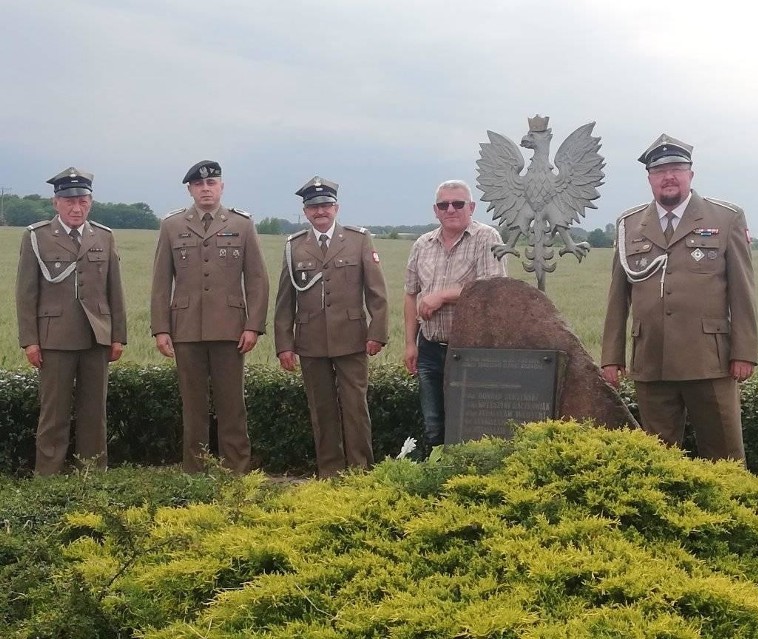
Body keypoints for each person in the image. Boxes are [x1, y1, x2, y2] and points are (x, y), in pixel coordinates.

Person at [601, 134, 758, 461]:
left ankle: (730, 511)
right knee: (658, 459)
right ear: (650, 179)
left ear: (690, 174)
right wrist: (611, 356)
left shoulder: (725, 218)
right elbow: (618, 296)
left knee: (724, 456)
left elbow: (743, 291)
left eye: (676, 168)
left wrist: (745, 352)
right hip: (651, 361)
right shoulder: (629, 225)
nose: (668, 176)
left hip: (709, 361)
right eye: (659, 171)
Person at [150, 160, 269, 473]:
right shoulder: (172, 225)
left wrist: (253, 326)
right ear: (190, 189)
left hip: (231, 330)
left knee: (233, 406)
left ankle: (237, 472)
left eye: (212, 183)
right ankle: (196, 472)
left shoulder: (242, 224)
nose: (206, 189)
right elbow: (162, 281)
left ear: (221, 187)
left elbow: (257, 279)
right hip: (186, 329)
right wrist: (161, 329)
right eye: (199, 185)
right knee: (193, 408)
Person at [274, 176, 389, 478]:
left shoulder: (358, 239)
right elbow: (284, 301)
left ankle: (360, 471)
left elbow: (377, 293)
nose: (320, 211)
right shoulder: (294, 246)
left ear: (336, 207)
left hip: (353, 339)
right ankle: (330, 472)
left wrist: (377, 333)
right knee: (321, 410)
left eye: (325, 205)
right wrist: (284, 345)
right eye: (314, 207)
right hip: (310, 342)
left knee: (355, 408)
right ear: (305, 211)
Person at [15, 167, 127, 475]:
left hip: (96, 337)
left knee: (95, 412)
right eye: (69, 201)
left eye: (83, 201)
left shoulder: (103, 236)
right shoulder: (37, 237)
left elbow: (114, 290)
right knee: (54, 413)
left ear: (90, 202)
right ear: (56, 203)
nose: (76, 207)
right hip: (54, 339)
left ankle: (92, 474)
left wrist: (118, 336)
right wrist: (30, 341)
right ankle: (49, 476)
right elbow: (26, 293)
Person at [403, 179, 507, 456]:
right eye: (443, 204)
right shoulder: (422, 244)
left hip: (472, 351)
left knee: (472, 425)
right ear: (435, 210)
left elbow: (492, 289)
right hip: (430, 347)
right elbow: (410, 294)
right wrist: (410, 344)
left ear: (471, 207)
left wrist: (443, 295)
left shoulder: (487, 238)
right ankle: (439, 479)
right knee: (433, 424)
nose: (451, 209)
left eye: (458, 203)